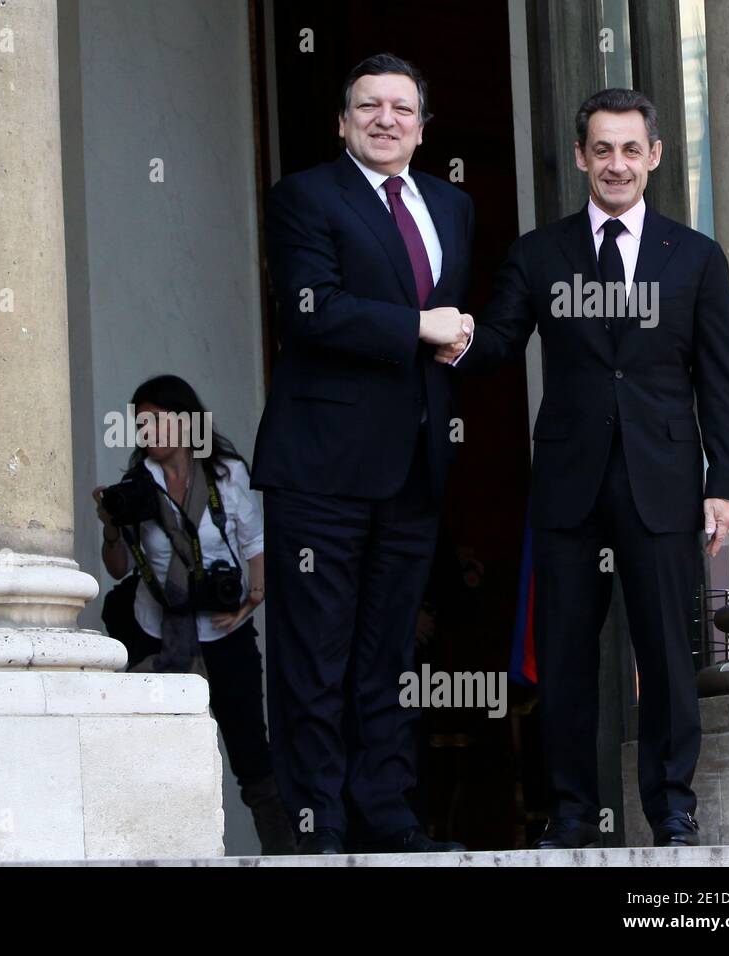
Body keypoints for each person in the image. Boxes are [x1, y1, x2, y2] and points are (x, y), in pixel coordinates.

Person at [440, 89, 729, 848]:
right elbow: (501, 341)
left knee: (671, 657)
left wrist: (726, 484)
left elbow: (720, 380)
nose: (616, 164)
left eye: (630, 150)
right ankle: (573, 814)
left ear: (655, 157)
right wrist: (443, 336)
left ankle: (672, 811)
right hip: (571, 487)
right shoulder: (540, 253)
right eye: (601, 150)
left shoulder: (696, 256)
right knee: (569, 659)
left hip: (664, 483)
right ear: (581, 157)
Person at [251, 54, 475, 854]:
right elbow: (313, 310)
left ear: (422, 124)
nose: (386, 119)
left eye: (402, 108)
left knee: (387, 656)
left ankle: (387, 816)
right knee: (316, 658)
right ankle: (319, 826)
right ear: (342, 121)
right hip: (322, 466)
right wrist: (423, 327)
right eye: (369, 106)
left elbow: (446, 318)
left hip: (413, 467)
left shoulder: (451, 204)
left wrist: (459, 334)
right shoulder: (307, 196)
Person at [93, 374, 295, 854]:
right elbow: (119, 567)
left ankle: (287, 857)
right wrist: (110, 529)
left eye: (155, 421)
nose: (147, 433)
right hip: (159, 633)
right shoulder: (137, 488)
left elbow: (255, 540)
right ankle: (158, 852)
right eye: (140, 424)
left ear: (185, 421)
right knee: (156, 748)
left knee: (251, 752)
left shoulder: (226, 474)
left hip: (226, 633)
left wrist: (254, 596)